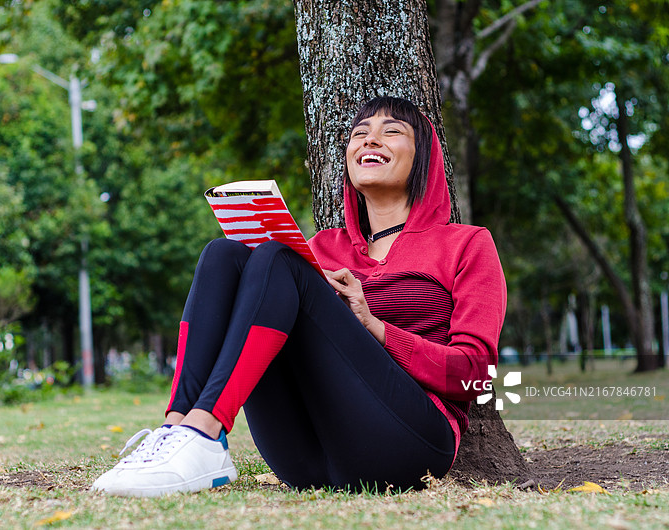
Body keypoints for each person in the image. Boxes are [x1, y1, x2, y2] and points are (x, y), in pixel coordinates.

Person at [91, 96, 506, 497]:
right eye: (360, 133)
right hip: (304, 457)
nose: (370, 139)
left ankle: (205, 429)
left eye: (391, 131)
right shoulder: (323, 247)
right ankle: (177, 429)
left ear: (424, 158)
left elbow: (476, 374)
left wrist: (374, 327)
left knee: (277, 258)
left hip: (408, 446)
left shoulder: (465, 244)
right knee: (223, 255)